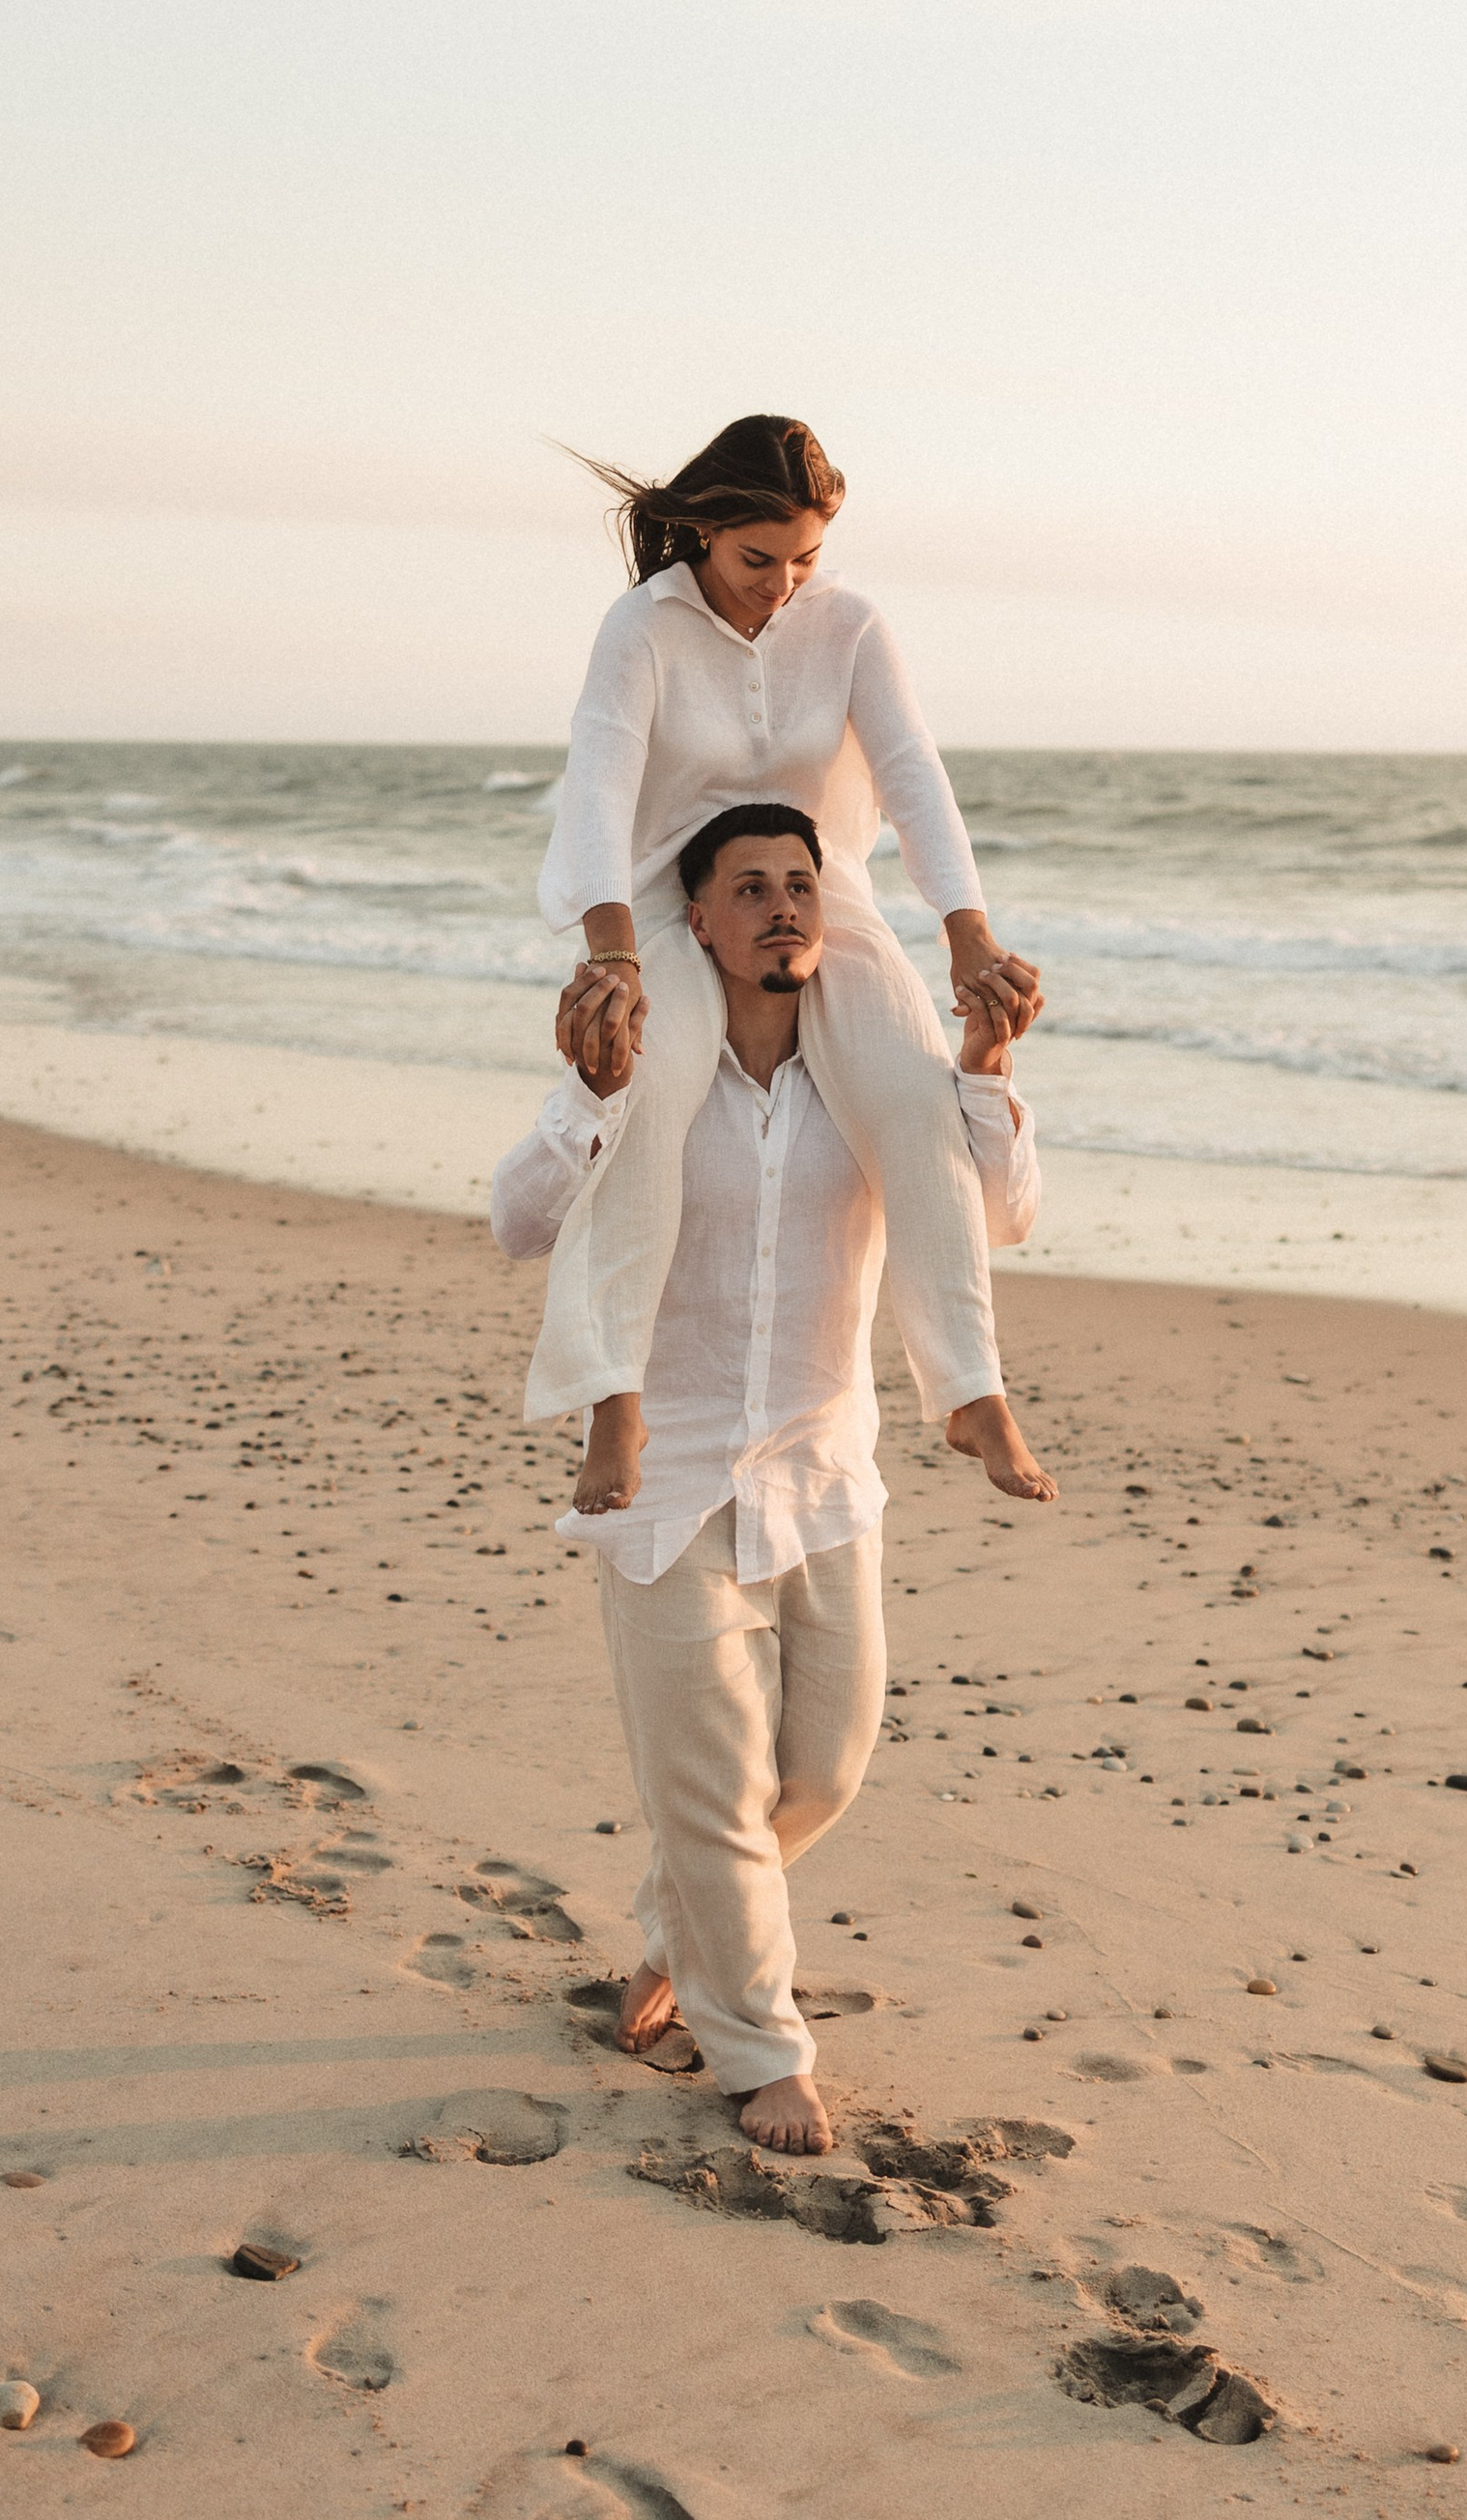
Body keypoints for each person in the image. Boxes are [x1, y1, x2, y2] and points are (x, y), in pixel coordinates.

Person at [491, 803, 1055, 2158]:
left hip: (823, 1475)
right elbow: (515, 1221)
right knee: (715, 1788)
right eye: (749, 889)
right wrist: (589, 1096)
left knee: (824, 1772)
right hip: (668, 1483)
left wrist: (983, 1066)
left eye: (803, 884)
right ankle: (761, 2049)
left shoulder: (874, 1080)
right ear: (699, 924)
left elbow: (999, 1214)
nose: (784, 907)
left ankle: (681, 1929)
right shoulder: (648, 1071)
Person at [524, 411, 1043, 1480]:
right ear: (703, 532)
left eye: (804, 557)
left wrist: (968, 937)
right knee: (645, 1100)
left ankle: (971, 1393)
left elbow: (912, 777)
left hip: (821, 897)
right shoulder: (644, 625)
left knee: (914, 1097)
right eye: (759, 558)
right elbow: (600, 785)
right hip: (670, 905)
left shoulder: (848, 625)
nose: (782, 582)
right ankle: (613, 1395)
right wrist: (613, 952)